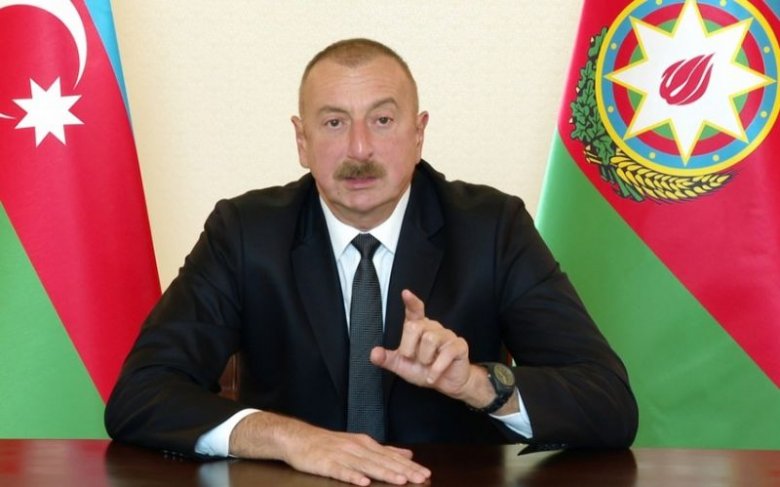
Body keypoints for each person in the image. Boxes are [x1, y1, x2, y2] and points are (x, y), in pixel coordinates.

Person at [105, 38, 638, 486]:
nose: (359, 149)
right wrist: (289, 438)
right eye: (334, 123)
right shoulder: (245, 233)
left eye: (382, 120)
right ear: (302, 140)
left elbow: (610, 404)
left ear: (418, 133)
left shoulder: (492, 229)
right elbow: (140, 394)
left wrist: (475, 383)